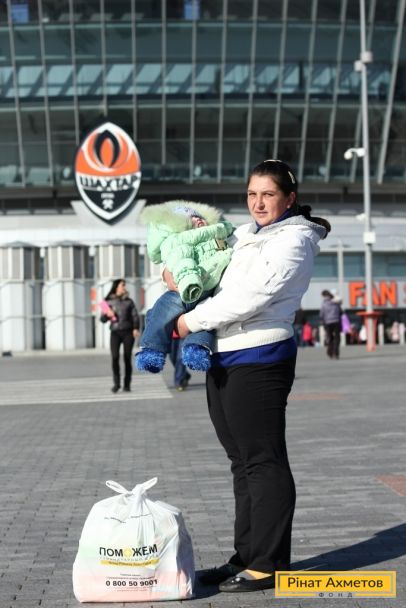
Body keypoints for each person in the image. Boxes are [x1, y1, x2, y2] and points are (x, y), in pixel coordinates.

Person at [174, 159, 331, 593]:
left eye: (268, 194)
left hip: (260, 355)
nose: (258, 203)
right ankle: (244, 556)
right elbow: (210, 267)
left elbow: (250, 296)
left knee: (263, 459)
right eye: (251, 194)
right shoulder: (245, 235)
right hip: (223, 353)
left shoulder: (294, 240)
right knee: (240, 461)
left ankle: (268, 562)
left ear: (289, 199)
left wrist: (189, 322)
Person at [135, 200, 234, 374]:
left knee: (206, 321)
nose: (198, 219)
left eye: (199, 216)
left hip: (208, 291)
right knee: (164, 309)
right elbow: (181, 260)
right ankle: (152, 349)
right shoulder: (179, 241)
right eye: (191, 219)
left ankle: (196, 349)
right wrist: (189, 281)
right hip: (186, 288)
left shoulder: (220, 235)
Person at [100, 278, 140, 393]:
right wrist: (107, 315)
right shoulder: (108, 301)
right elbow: (102, 319)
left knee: (127, 358)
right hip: (115, 332)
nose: (124, 287)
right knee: (115, 357)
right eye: (122, 285)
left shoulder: (129, 301)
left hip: (128, 332)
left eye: (124, 285)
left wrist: (136, 328)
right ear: (116, 287)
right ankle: (116, 384)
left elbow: (135, 316)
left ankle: (127, 384)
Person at [319, 289, 342, 359]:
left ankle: (330, 352)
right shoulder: (336, 302)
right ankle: (336, 353)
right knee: (337, 338)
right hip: (336, 321)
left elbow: (321, 314)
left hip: (327, 323)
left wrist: (323, 321)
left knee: (330, 337)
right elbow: (340, 312)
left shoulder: (323, 304)